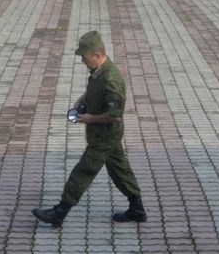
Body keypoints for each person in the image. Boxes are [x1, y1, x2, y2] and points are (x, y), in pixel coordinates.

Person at [32, 30, 147, 227]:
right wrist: (81, 100)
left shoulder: (112, 79)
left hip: (105, 135)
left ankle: (59, 213)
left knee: (82, 171)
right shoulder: (98, 72)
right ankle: (137, 209)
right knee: (120, 169)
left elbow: (114, 116)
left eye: (85, 58)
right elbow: (93, 91)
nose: (83, 61)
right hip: (103, 134)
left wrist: (90, 118)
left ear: (97, 54)